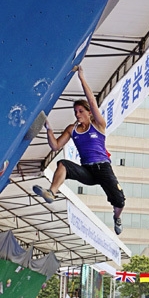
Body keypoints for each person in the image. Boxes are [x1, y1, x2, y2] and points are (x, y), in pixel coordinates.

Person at [37, 65, 125, 234]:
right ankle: (51, 192)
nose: (77, 114)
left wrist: (81, 77)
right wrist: (48, 128)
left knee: (119, 202)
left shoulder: (98, 125)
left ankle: (117, 217)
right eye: (75, 111)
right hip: (87, 171)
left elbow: (92, 101)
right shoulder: (72, 129)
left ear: (89, 113)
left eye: (81, 111)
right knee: (62, 163)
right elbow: (55, 146)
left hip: (103, 168)